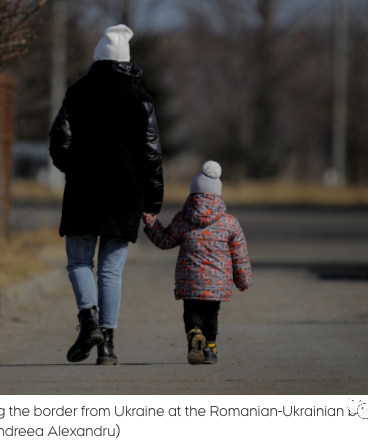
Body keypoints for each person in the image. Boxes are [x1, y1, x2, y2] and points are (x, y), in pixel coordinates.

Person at [49, 24, 164, 365]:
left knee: (79, 261)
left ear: (98, 57)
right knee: (111, 271)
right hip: (127, 194)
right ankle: (108, 347)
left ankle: (89, 320)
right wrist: (153, 201)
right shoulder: (142, 99)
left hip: (84, 191)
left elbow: (59, 143)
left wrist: (76, 169)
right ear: (127, 61)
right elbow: (152, 155)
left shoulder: (78, 92)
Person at [141, 161, 252, 365]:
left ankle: (194, 334)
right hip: (217, 283)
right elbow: (240, 255)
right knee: (212, 314)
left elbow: (164, 241)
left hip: (190, 280)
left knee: (192, 311)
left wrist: (151, 223)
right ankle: (210, 349)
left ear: (192, 193)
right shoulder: (229, 222)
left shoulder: (183, 219)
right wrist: (243, 280)